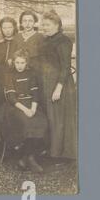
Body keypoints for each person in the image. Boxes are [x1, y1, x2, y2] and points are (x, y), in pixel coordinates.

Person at [0, 49, 48, 173]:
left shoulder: (32, 73)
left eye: (22, 63)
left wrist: (33, 108)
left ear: (26, 63)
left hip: (31, 104)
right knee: (26, 123)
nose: (19, 65)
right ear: (13, 63)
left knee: (42, 121)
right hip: (15, 106)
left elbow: (35, 93)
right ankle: (30, 158)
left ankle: (25, 158)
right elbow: (11, 98)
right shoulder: (9, 74)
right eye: (17, 62)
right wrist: (26, 110)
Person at [39, 10, 77, 160]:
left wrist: (59, 88)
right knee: (51, 118)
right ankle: (52, 150)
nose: (44, 27)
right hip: (47, 82)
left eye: (47, 25)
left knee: (60, 119)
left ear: (57, 25)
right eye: (43, 25)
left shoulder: (64, 41)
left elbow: (66, 67)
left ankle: (62, 154)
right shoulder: (46, 40)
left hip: (60, 85)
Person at [0, 17, 19, 107]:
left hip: (14, 74)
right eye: (4, 28)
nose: (7, 30)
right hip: (0, 76)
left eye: (10, 27)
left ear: (14, 28)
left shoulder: (18, 42)